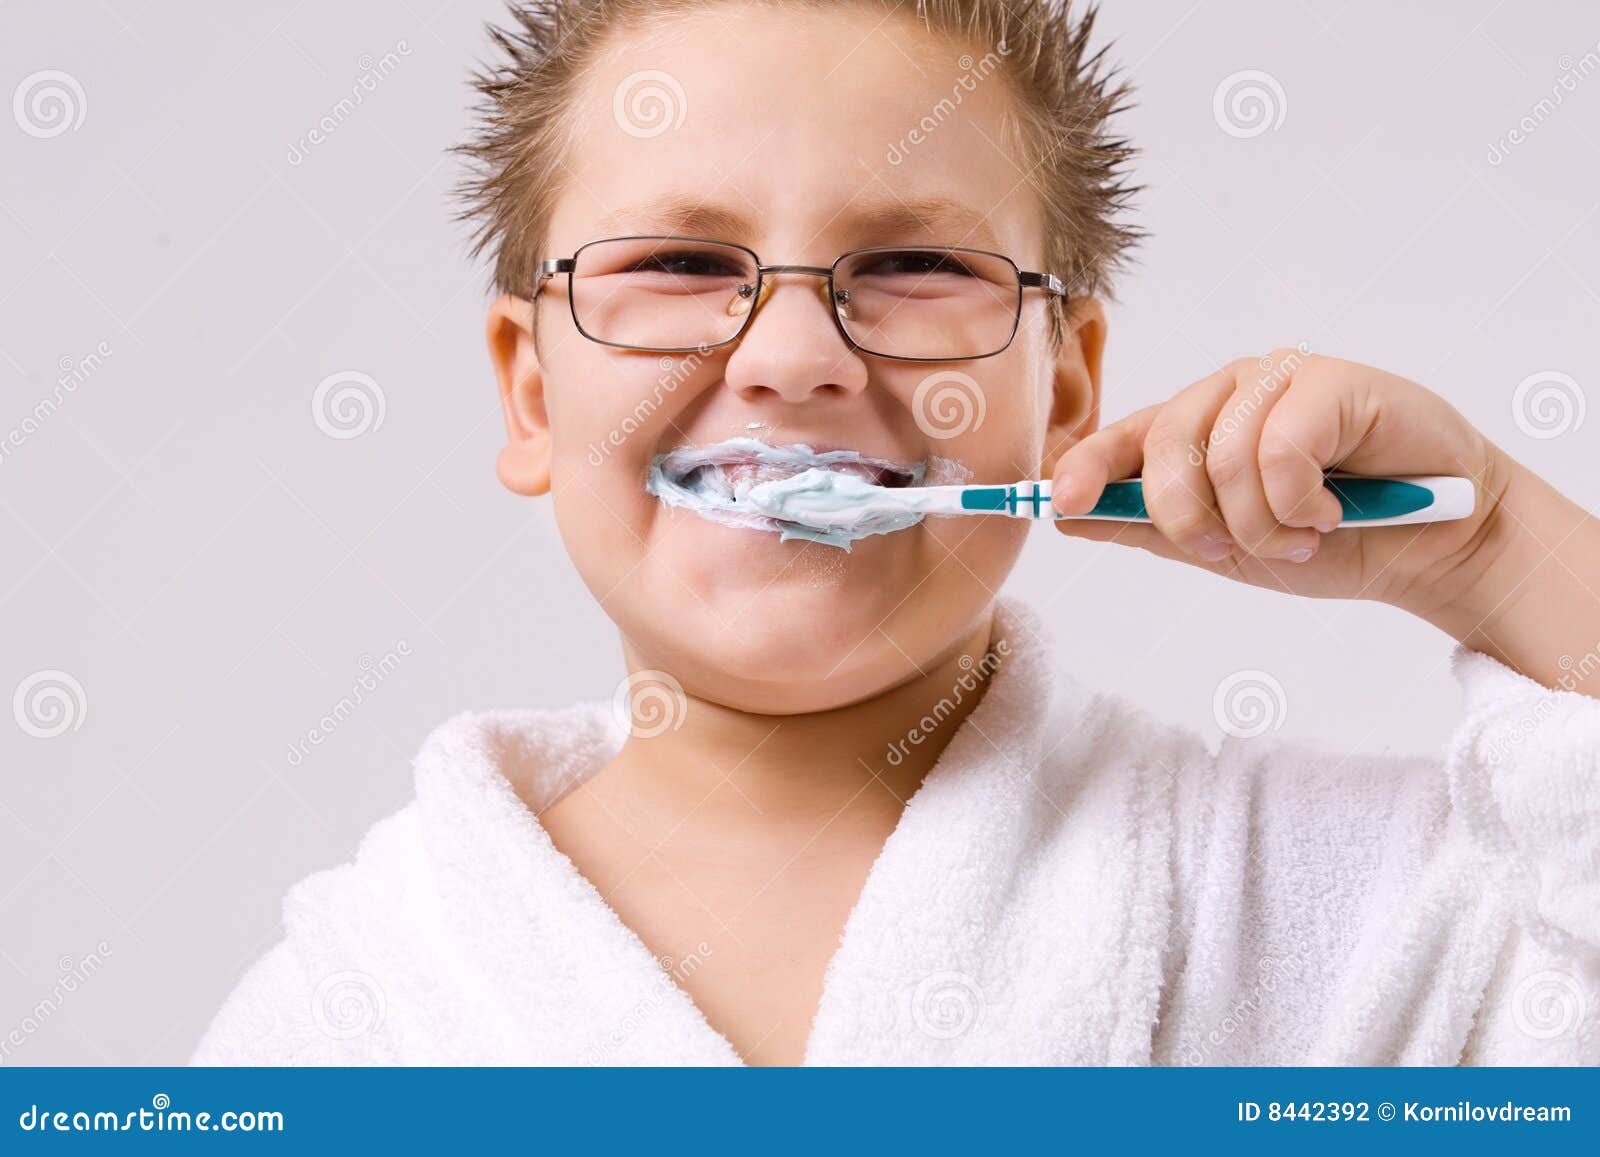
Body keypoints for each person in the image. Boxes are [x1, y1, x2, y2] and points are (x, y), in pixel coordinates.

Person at [193, 0, 1600, 1065]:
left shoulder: (1323, 903)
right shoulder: (356, 1008)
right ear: (530, 390)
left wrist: (1497, 554)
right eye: (682, 264)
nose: (795, 352)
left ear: (1065, 386)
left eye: (914, 264)